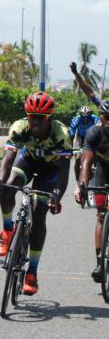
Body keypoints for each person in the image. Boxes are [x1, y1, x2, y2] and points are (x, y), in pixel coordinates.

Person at [0, 92, 71, 296]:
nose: (34, 121)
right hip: (27, 161)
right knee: (8, 187)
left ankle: (32, 273)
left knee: (38, 210)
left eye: (39, 117)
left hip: (50, 171)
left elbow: (63, 172)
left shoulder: (61, 134)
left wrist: (56, 197)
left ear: (48, 118)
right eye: (31, 116)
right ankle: (8, 229)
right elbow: (8, 159)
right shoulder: (20, 128)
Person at [74, 101, 109, 283]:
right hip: (103, 169)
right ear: (101, 118)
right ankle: (100, 263)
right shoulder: (94, 132)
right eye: (106, 118)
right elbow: (86, 162)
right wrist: (82, 185)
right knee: (101, 215)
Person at [70, 105, 100, 182]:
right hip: (81, 137)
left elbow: (100, 131)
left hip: (91, 137)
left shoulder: (95, 118)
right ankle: (77, 181)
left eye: (88, 117)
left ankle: (97, 171)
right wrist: (71, 148)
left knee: (97, 154)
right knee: (77, 159)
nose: (85, 119)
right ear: (80, 115)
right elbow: (72, 134)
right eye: (83, 117)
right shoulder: (76, 120)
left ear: (91, 115)